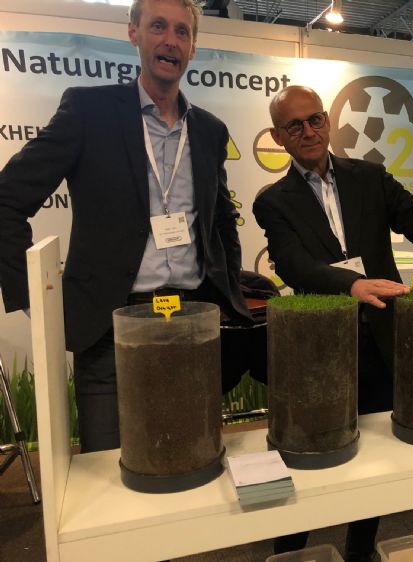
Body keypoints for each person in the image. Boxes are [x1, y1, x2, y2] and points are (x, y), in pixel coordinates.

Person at [0, 0, 250, 453]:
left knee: (189, 460)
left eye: (182, 32)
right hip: (111, 331)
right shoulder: (88, 111)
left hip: (192, 323)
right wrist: (38, 298)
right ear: (133, 32)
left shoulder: (210, 131)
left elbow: (221, 220)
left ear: (193, 47)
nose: (170, 41)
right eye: (158, 26)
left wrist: (229, 287)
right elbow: (6, 201)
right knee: (108, 471)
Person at [253, 85, 413, 562]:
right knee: (310, 453)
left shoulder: (370, 178)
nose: (309, 131)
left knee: (375, 460)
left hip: (381, 337)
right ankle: (291, 552)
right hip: (320, 348)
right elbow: (293, 264)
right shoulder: (273, 201)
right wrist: (350, 284)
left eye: (315, 119)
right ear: (278, 137)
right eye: (295, 125)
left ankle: (361, 549)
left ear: (327, 122)